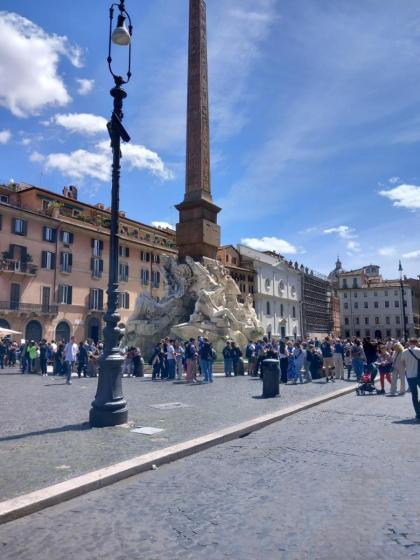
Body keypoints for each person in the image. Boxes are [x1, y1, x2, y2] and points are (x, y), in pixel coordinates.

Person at [401, 338, 420, 420]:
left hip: (410, 376)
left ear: (409, 343)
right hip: (419, 375)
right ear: (416, 343)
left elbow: (402, 364)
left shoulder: (404, 352)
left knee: (414, 396)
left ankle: (418, 414)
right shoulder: (419, 350)